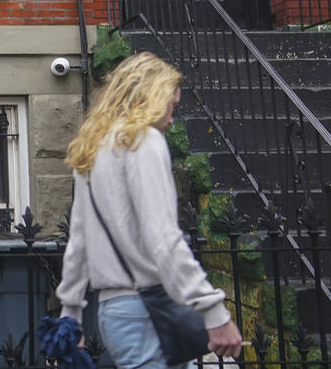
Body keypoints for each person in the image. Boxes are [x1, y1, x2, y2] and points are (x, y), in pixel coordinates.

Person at [56, 52, 243, 368]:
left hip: (113, 314)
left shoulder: (93, 148)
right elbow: (164, 239)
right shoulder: (144, 142)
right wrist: (214, 310)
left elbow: (79, 242)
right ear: (154, 98)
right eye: (172, 107)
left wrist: (70, 314)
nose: (172, 119)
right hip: (149, 312)